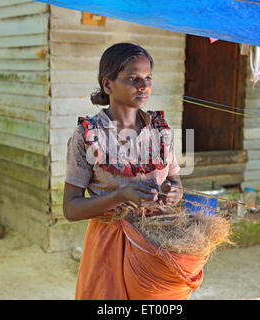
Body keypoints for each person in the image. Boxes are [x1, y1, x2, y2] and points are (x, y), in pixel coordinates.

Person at [63, 42, 184, 299]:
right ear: (108, 85)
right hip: (109, 248)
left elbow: (175, 180)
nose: (143, 86)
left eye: (147, 78)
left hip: (156, 243)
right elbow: (71, 209)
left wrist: (174, 193)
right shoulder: (88, 135)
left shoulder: (160, 131)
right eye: (133, 78)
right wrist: (120, 196)